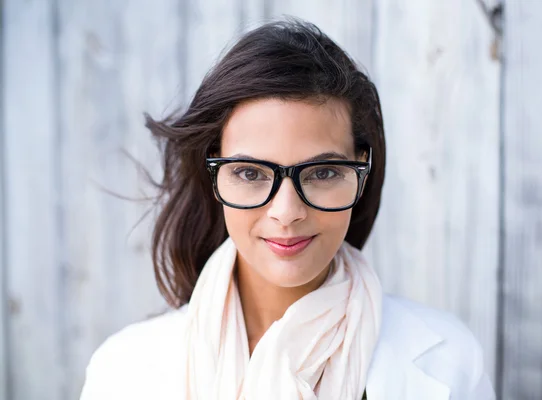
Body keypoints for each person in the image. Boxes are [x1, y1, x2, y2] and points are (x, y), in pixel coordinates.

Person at [80, 18, 495, 400]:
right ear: (214, 175)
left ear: (362, 171)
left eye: (322, 173)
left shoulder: (452, 362)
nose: (286, 211)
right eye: (249, 173)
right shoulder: (123, 371)